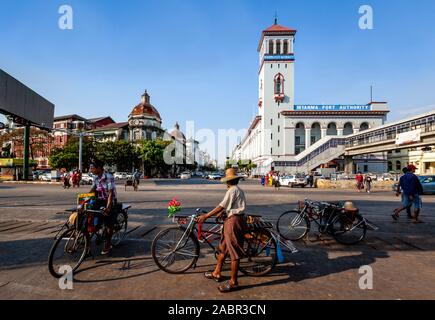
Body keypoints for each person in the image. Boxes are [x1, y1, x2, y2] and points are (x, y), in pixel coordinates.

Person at [197, 168, 247, 293]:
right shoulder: (236, 190)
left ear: (228, 181)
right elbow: (229, 206)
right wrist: (223, 213)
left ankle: (234, 282)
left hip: (234, 222)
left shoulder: (232, 190)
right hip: (231, 219)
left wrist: (205, 216)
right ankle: (217, 272)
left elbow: (221, 206)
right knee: (223, 248)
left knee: (234, 252)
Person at [89, 159, 118, 254]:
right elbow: (93, 189)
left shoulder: (109, 177)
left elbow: (111, 193)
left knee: (109, 223)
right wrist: (84, 198)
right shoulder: (95, 177)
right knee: (89, 213)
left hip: (109, 201)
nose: (90, 170)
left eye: (92, 168)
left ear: (99, 168)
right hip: (100, 200)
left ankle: (108, 244)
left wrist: (108, 208)